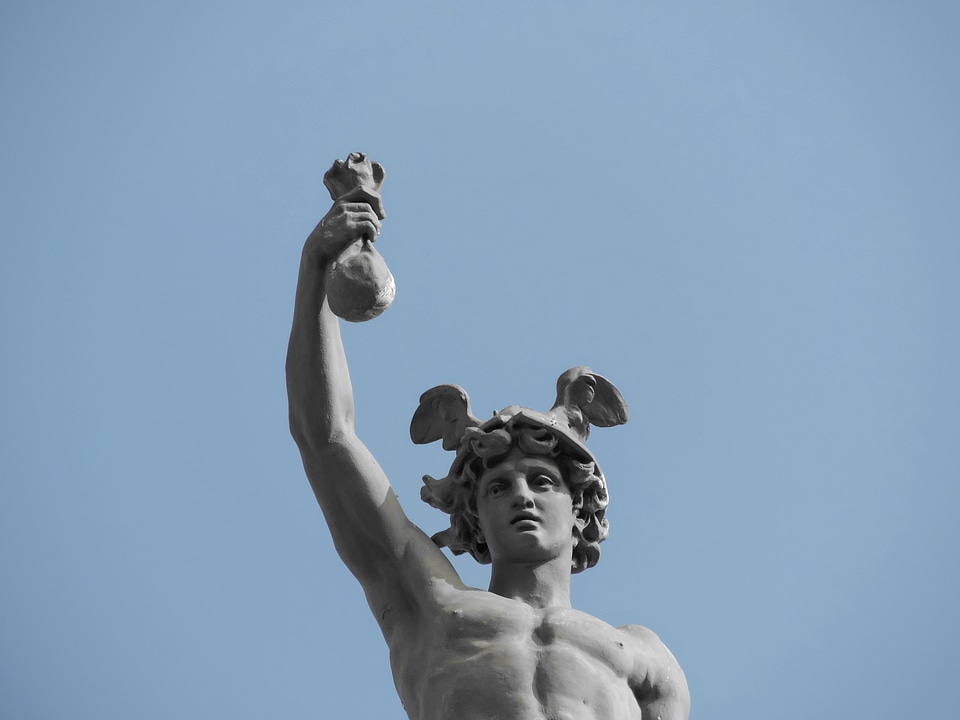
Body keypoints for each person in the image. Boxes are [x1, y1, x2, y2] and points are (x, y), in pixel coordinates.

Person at [285, 186, 690, 720]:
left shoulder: (643, 654)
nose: (521, 495)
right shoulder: (430, 604)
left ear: (580, 510)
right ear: (473, 516)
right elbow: (328, 439)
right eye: (497, 487)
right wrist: (316, 266)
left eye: (542, 482)